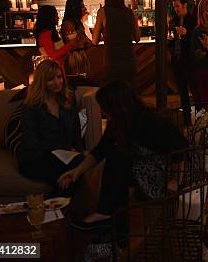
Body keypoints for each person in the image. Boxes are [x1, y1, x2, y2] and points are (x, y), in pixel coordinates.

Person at [58, 80, 188, 229]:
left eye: (105, 108)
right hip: (142, 168)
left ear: (117, 106)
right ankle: (111, 219)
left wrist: (176, 181)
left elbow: (182, 148)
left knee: (118, 156)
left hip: (157, 174)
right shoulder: (120, 122)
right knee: (115, 152)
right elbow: (100, 150)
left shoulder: (148, 122)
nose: (103, 112)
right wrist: (77, 171)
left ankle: (106, 213)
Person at [17, 59, 84, 193]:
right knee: (66, 172)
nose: (57, 82)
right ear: (42, 82)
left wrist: (77, 150)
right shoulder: (31, 106)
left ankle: (55, 207)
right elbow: (32, 142)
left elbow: (76, 130)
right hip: (36, 157)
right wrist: (60, 152)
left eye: (59, 77)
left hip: (63, 154)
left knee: (81, 163)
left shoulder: (68, 100)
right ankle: (61, 208)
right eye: (51, 79)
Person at [92, 0, 141, 85]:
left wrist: (104, 33)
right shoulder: (130, 12)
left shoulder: (102, 12)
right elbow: (137, 38)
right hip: (129, 60)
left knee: (113, 93)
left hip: (111, 61)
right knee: (128, 91)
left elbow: (95, 40)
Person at [169, 0, 196, 123]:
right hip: (177, 60)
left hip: (189, 61)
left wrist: (187, 33)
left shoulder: (192, 20)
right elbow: (172, 41)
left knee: (195, 92)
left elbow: (196, 40)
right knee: (183, 93)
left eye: (177, 6)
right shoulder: (173, 21)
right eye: (174, 7)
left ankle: (199, 119)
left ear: (185, 6)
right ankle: (187, 120)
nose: (176, 9)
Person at [61, 0, 93, 77]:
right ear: (75, 9)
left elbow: (87, 41)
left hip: (81, 56)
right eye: (82, 6)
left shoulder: (78, 23)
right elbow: (72, 45)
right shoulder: (68, 24)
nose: (85, 9)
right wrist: (83, 40)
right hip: (74, 59)